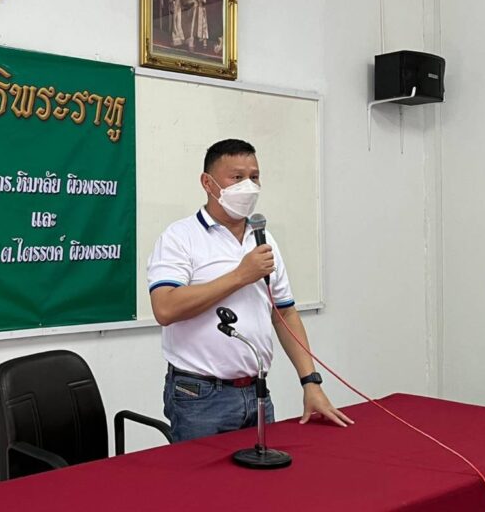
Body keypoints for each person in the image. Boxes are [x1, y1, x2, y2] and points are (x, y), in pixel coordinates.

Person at [147, 138, 353, 442]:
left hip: (256, 390)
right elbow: (165, 308)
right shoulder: (180, 237)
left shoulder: (263, 238)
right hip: (199, 395)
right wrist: (240, 275)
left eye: (254, 177)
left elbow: (284, 313)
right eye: (237, 177)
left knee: (264, 472)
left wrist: (310, 381)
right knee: (201, 475)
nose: (249, 186)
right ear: (207, 183)